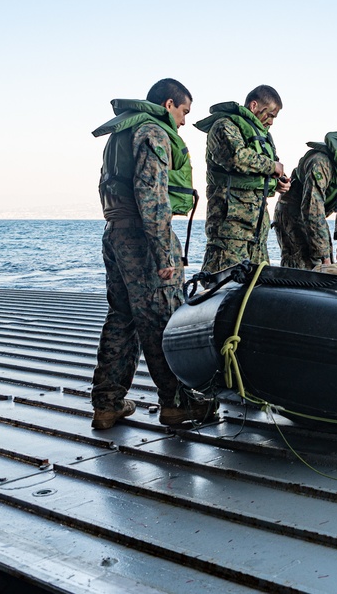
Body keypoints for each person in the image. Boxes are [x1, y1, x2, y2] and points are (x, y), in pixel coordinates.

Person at [90, 78, 215, 429]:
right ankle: (177, 403)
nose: (184, 122)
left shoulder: (121, 134)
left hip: (115, 231)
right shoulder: (153, 133)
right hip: (144, 238)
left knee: (122, 318)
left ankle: (107, 403)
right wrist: (164, 254)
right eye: (183, 112)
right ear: (169, 104)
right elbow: (152, 195)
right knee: (163, 317)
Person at [195, 85, 288, 276]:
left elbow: (259, 171)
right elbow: (236, 157)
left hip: (256, 234)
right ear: (254, 106)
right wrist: (272, 167)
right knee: (221, 288)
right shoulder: (224, 125)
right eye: (269, 114)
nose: (271, 122)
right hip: (230, 231)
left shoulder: (262, 136)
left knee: (259, 290)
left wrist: (276, 182)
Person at [274, 125, 337, 268]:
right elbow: (312, 209)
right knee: (301, 263)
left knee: (324, 261)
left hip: (317, 216)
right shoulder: (321, 163)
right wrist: (324, 258)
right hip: (292, 212)